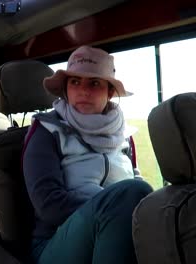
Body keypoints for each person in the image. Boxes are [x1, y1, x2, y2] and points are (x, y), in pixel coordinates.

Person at [22, 45, 153, 264]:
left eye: (94, 83)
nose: (83, 90)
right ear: (66, 88)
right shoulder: (46, 131)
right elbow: (49, 205)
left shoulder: (125, 135)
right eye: (75, 82)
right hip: (55, 242)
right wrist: (113, 205)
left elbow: (136, 186)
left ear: (109, 92)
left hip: (119, 231)